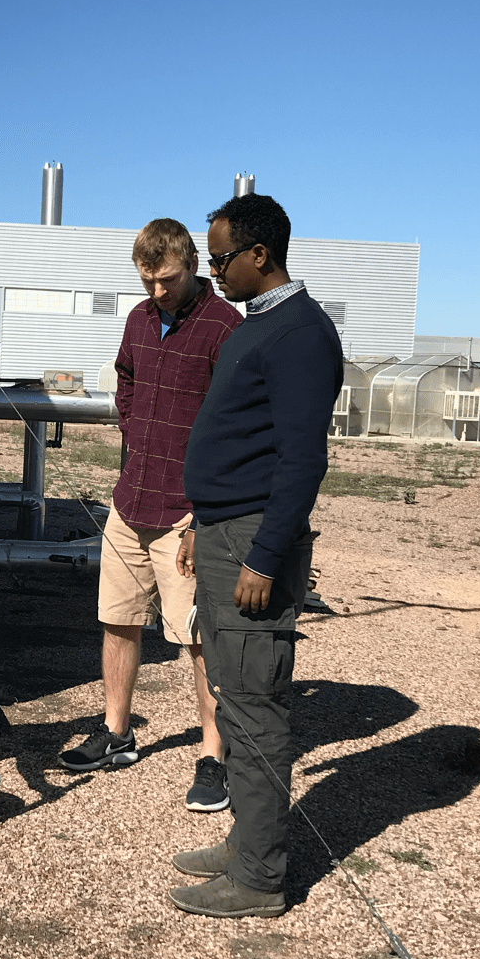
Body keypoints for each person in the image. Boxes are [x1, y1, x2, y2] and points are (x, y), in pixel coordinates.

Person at [169, 193, 342, 919]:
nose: (210, 273)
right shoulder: (256, 326)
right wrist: (198, 523)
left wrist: (264, 556)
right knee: (232, 700)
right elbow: (241, 440)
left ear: (259, 255)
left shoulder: (299, 334)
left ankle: (260, 877)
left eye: (217, 259)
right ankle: (246, 841)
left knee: (254, 706)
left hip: (251, 541)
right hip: (222, 530)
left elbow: (302, 460)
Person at [59, 217, 242, 807]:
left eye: (166, 280)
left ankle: (212, 755)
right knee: (117, 618)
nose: (156, 292)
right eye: (146, 280)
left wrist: (206, 512)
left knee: (197, 637)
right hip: (131, 500)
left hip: (188, 512)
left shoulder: (224, 328)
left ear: (191, 264)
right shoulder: (139, 320)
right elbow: (127, 380)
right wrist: (136, 430)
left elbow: (236, 424)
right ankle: (116, 734)